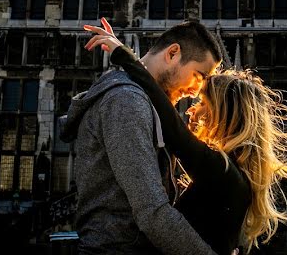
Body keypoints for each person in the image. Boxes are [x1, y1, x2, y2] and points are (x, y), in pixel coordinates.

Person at [85, 19, 287, 254]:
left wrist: (125, 56)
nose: (190, 107)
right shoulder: (231, 172)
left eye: (201, 101)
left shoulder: (221, 169)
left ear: (222, 113)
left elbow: (172, 128)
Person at [60, 20, 223, 255]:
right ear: (173, 53)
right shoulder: (127, 102)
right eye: (199, 76)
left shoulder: (143, 100)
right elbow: (152, 211)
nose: (196, 92)